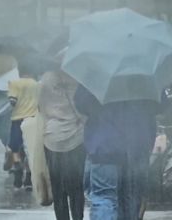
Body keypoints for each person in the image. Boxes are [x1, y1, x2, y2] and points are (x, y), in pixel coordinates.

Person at [74, 85, 168, 220]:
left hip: (104, 143)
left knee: (104, 197)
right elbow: (160, 105)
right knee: (131, 197)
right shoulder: (144, 73)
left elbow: (81, 103)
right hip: (137, 145)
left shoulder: (98, 72)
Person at [39, 70, 85, 220]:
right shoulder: (78, 78)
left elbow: (40, 107)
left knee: (57, 186)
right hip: (76, 136)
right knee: (76, 185)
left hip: (52, 136)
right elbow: (83, 108)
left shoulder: (45, 79)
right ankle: (78, 217)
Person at [8, 68, 39, 189]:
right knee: (30, 149)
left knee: (15, 147)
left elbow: (12, 101)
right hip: (33, 119)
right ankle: (28, 178)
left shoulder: (14, 83)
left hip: (17, 119)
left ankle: (17, 165)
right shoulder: (37, 85)